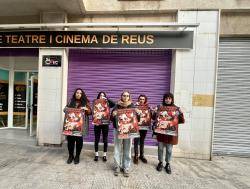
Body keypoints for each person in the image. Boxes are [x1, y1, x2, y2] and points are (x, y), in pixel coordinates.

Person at [153, 92, 185, 174]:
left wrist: (181, 113)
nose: (167, 100)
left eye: (169, 98)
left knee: (169, 150)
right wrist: (154, 112)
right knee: (160, 148)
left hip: (170, 134)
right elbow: (154, 118)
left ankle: (167, 163)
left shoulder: (176, 109)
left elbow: (181, 121)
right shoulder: (160, 107)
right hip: (161, 133)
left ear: (172, 99)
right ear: (164, 99)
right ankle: (160, 162)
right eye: (166, 98)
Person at [111, 91, 137, 177]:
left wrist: (138, 113)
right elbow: (111, 118)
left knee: (127, 149)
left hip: (129, 131)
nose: (125, 97)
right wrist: (113, 114)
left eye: (127, 96)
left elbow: (137, 119)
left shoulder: (132, 106)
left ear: (129, 97)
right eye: (124, 95)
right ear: (121, 96)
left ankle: (126, 167)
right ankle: (117, 166)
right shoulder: (116, 106)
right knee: (117, 148)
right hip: (118, 130)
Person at [64, 88, 91, 164]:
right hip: (71, 126)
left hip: (80, 126)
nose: (78, 94)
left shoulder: (86, 102)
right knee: (70, 141)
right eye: (77, 93)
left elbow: (90, 112)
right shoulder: (70, 101)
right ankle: (71, 156)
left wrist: (86, 109)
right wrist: (66, 109)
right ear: (75, 94)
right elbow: (64, 109)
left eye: (80, 93)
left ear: (82, 94)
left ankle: (77, 156)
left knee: (79, 141)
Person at [93, 91, 115, 162]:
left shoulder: (107, 103)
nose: (101, 96)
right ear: (98, 96)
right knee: (96, 139)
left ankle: (104, 155)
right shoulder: (95, 102)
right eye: (100, 95)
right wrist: (94, 121)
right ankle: (96, 154)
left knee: (105, 139)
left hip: (105, 124)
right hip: (97, 124)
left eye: (103, 95)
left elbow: (114, 104)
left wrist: (107, 99)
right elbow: (94, 112)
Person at [133, 94, 150, 164]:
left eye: (143, 99)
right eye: (140, 99)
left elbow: (151, 116)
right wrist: (134, 107)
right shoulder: (134, 106)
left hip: (144, 127)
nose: (141, 100)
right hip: (136, 127)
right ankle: (136, 156)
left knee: (142, 141)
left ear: (145, 100)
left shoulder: (148, 107)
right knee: (136, 141)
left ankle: (142, 155)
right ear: (138, 100)